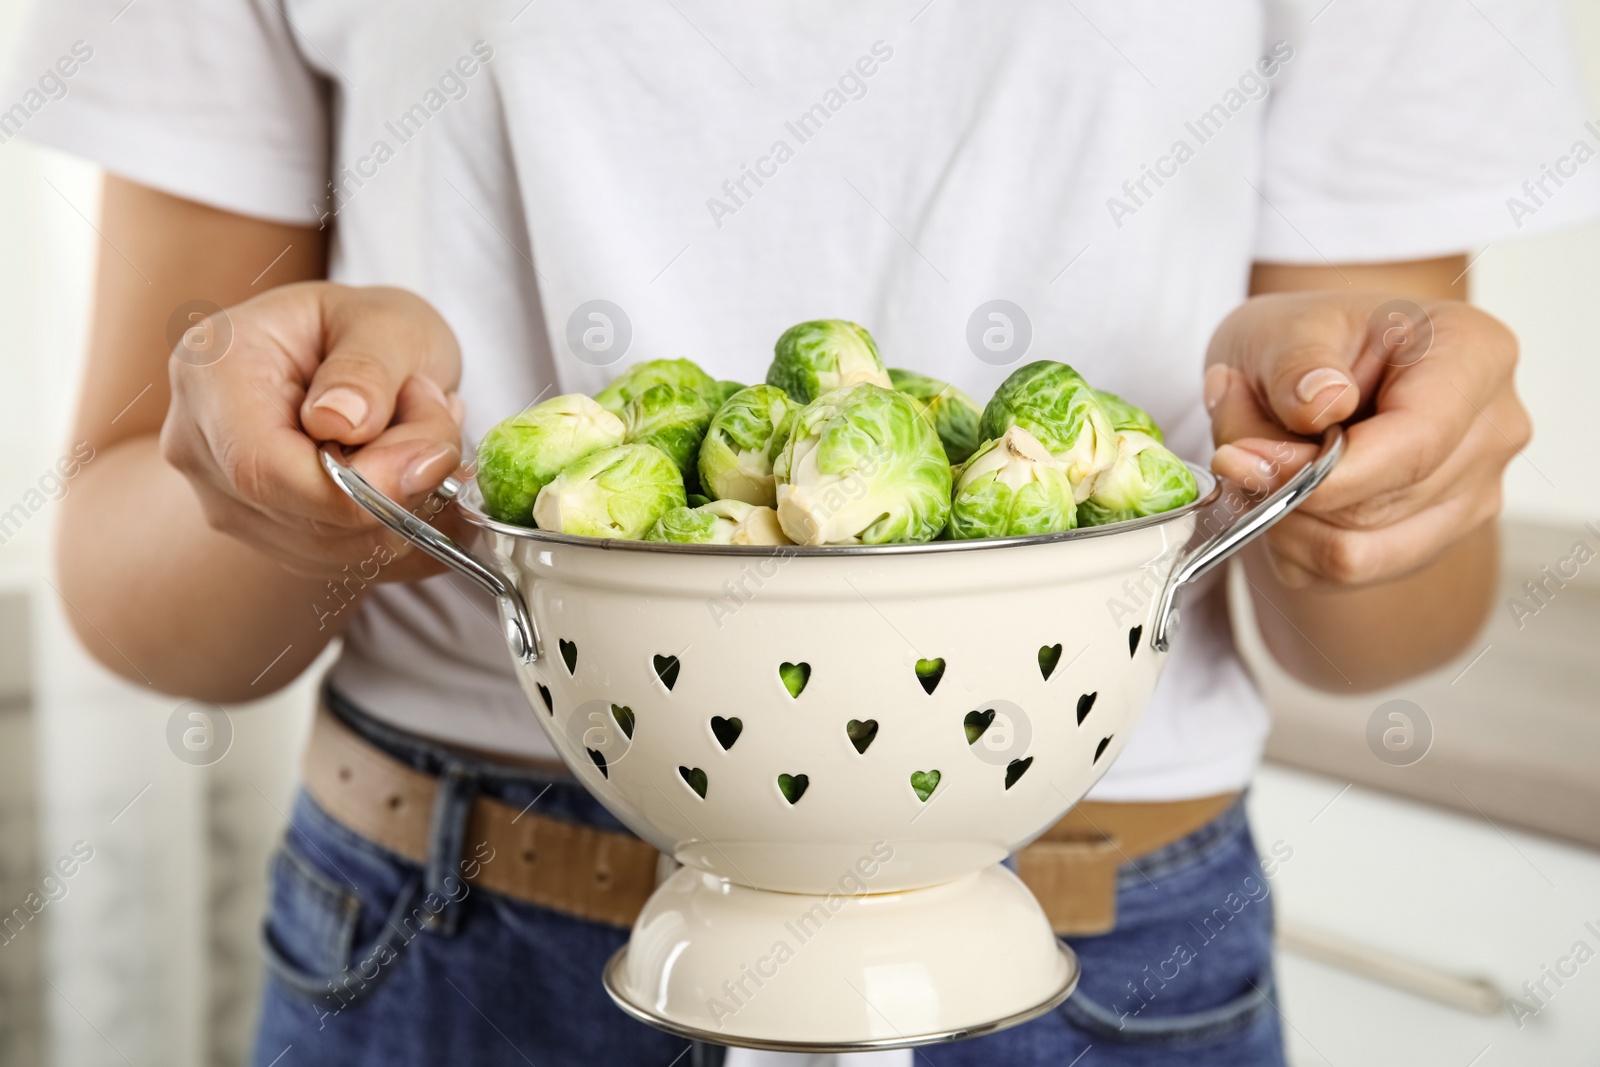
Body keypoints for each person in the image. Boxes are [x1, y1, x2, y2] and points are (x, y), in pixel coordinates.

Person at [7, 1, 1596, 1064]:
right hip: (455, 943)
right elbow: (141, 597)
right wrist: (319, 491)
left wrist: (1354, 487)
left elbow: (1386, 628)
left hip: (1102, 959)